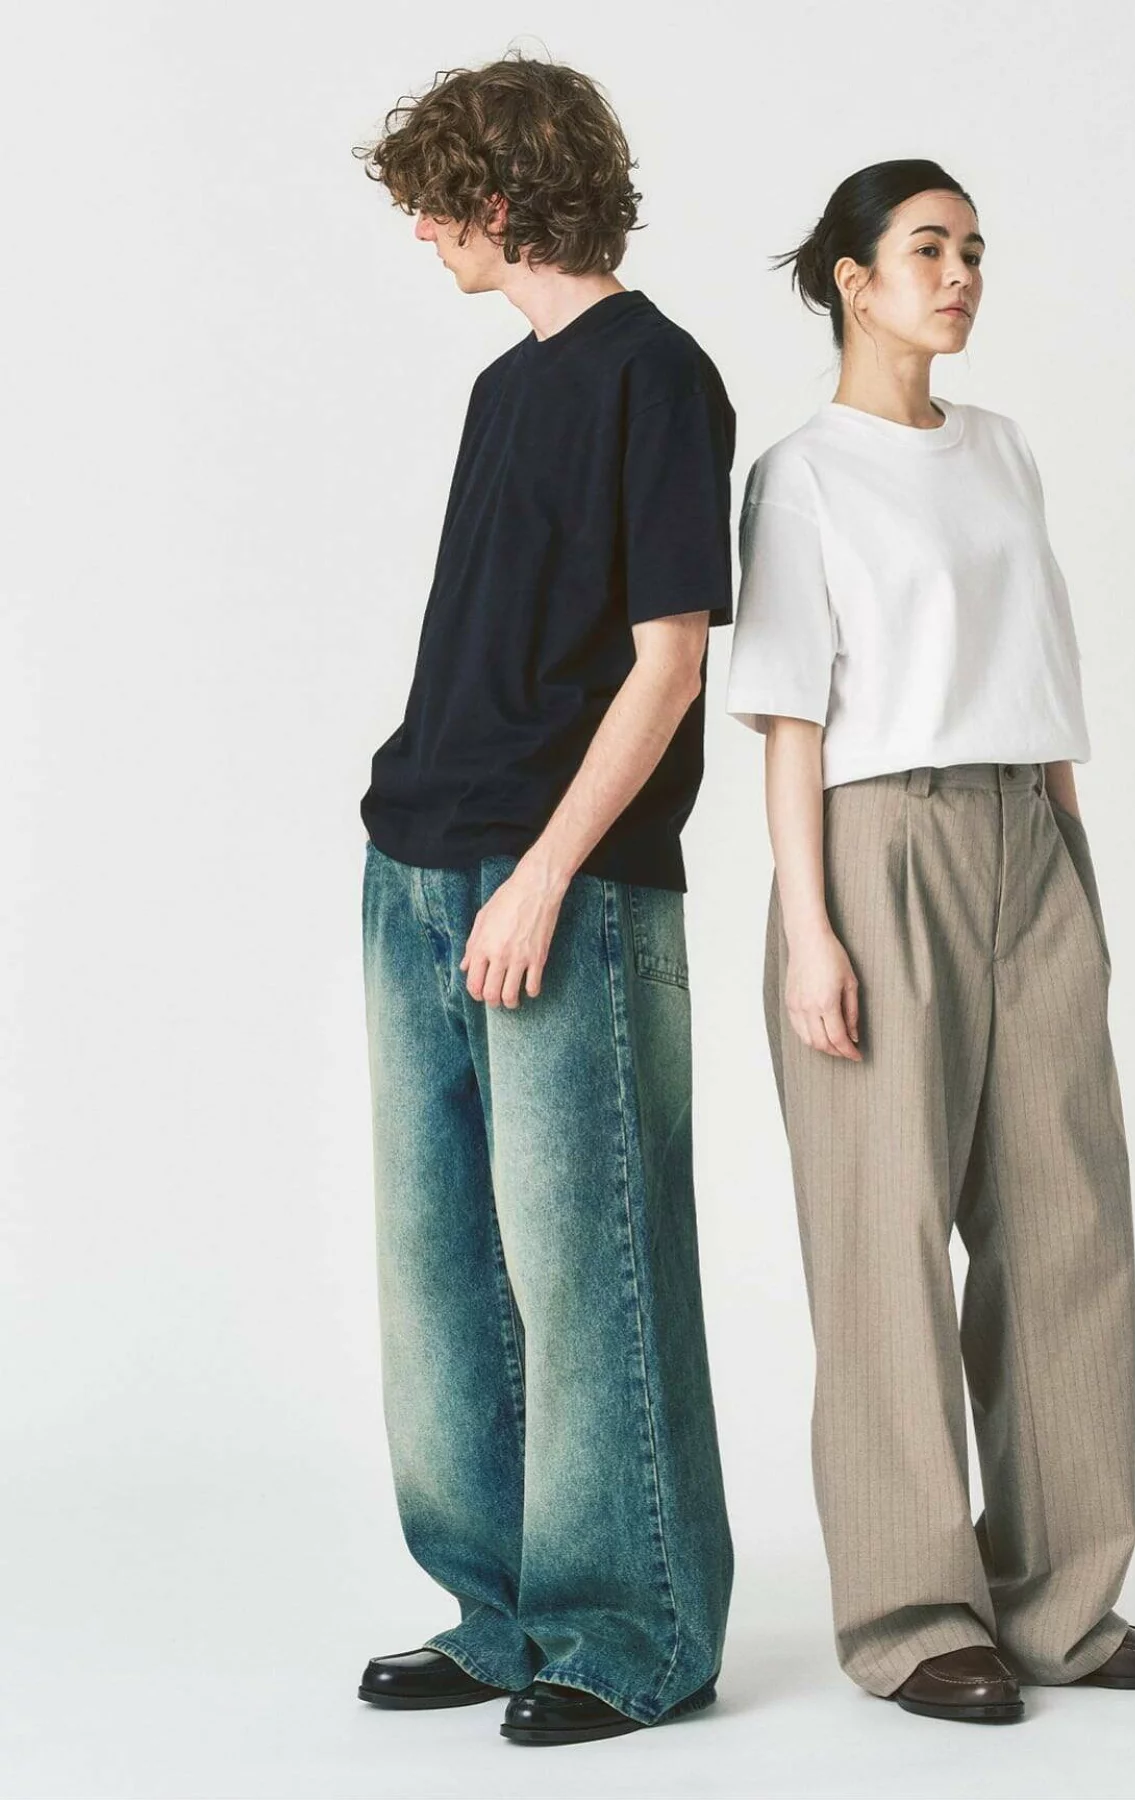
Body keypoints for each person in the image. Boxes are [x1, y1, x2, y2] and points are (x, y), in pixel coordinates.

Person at [725, 159, 1135, 1724]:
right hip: (878, 847)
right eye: (929, 249)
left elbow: (1044, 674)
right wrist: (811, 931)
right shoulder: (801, 475)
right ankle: (913, 1616)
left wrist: (1075, 872)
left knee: (1069, 1221)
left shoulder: (1002, 449)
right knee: (883, 1242)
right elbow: (790, 721)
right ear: (852, 279)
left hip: (1028, 835)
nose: (962, 275)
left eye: (976, 251)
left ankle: (1066, 1604)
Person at [351, 54, 733, 1747]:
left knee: (590, 1271)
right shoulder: (506, 388)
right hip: (420, 862)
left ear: (501, 198)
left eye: (437, 202)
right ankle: (498, 1613)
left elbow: (669, 662)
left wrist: (548, 877)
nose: (423, 232)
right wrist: (429, 869)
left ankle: (633, 1636)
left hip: (559, 880)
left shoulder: (660, 373)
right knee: (442, 1273)